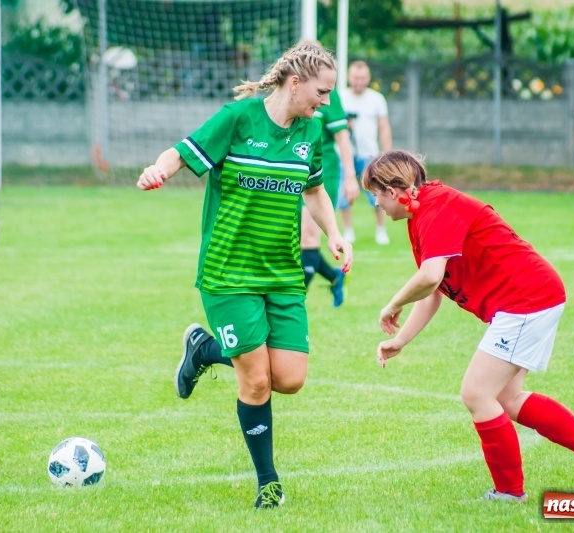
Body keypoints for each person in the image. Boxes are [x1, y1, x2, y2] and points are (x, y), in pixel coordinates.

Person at [136, 42, 353, 509]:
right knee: (255, 380)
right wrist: (159, 169)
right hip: (228, 272)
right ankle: (268, 483)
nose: (327, 102)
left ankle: (203, 350)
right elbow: (180, 151)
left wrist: (333, 233)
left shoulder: (309, 133)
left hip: (282, 274)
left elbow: (313, 189)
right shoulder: (237, 118)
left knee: (290, 378)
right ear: (295, 83)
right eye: (322, 91)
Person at [362, 150, 574, 502]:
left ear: (392, 192)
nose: (375, 203)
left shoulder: (436, 206)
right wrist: (403, 340)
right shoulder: (422, 214)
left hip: (526, 298)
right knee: (507, 397)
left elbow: (428, 277)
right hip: (529, 298)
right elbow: (435, 288)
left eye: (374, 194)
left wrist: (392, 304)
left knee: (476, 393)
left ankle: (508, 492)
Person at [301, 85, 359, 307]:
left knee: (309, 237)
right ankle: (335, 277)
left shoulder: (327, 94)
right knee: (297, 243)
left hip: (322, 175)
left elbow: (343, 138)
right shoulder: (292, 93)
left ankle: (292, 303)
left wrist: (350, 176)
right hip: (292, 173)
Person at [338, 60, 393, 245]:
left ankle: (381, 229)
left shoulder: (377, 99)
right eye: (355, 77)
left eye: (362, 78)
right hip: (344, 154)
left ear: (368, 78)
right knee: (344, 194)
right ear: (349, 77)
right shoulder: (340, 97)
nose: (358, 81)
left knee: (377, 193)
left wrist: (386, 154)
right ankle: (347, 230)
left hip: (370, 155)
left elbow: (384, 128)